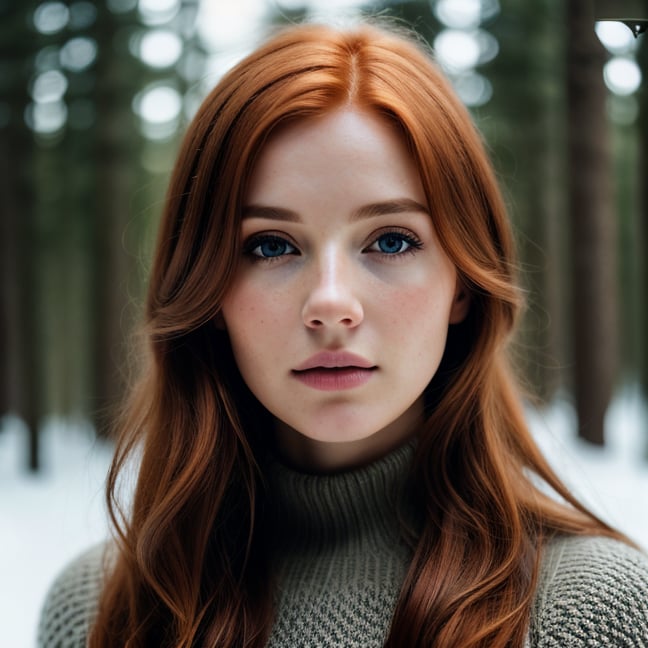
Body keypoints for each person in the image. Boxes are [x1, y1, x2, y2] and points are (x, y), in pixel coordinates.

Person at [38, 21, 648, 648]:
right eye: (271, 245)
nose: (331, 304)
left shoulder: (591, 613)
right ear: (208, 291)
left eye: (391, 240)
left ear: (462, 284)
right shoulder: (99, 612)